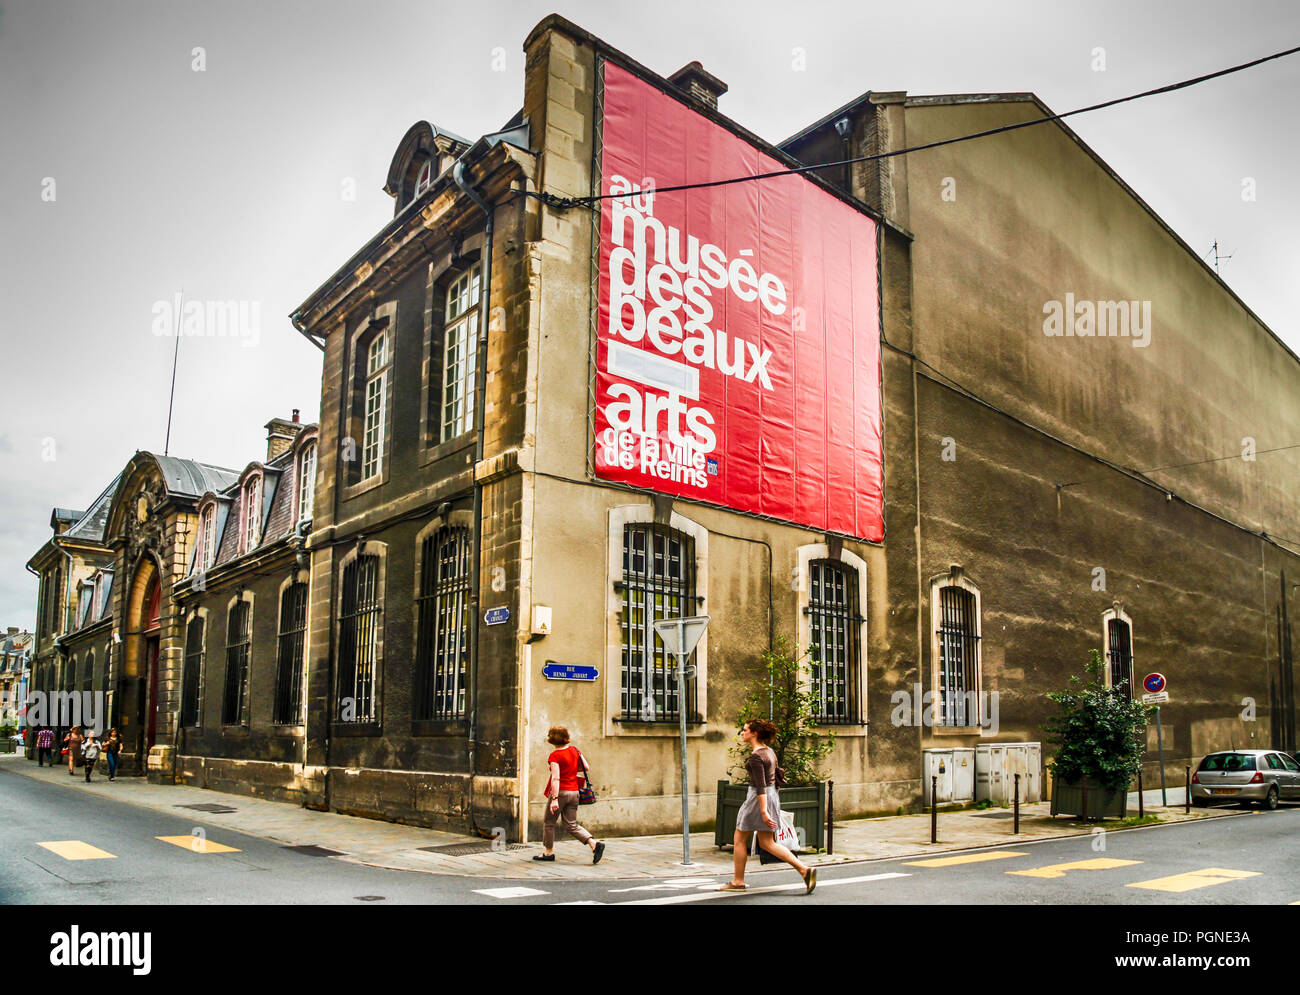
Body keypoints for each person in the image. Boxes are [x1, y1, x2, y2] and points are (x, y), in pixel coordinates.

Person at [718, 719, 816, 894]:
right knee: (767, 842)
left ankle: (738, 882)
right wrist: (772, 804)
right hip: (771, 796)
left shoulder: (756, 756)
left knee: (739, 839)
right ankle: (804, 870)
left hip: (758, 798)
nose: (742, 732)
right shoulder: (769, 752)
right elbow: (778, 777)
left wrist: (764, 811)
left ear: (754, 733)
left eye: (745, 730)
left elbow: (760, 785)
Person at [534, 726, 604, 864]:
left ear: (552, 738)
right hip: (575, 792)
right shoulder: (575, 750)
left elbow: (555, 778)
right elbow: (586, 767)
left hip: (561, 792)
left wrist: (554, 799)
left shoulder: (555, 756)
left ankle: (548, 853)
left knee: (549, 823)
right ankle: (593, 843)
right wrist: (570, 769)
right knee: (571, 825)